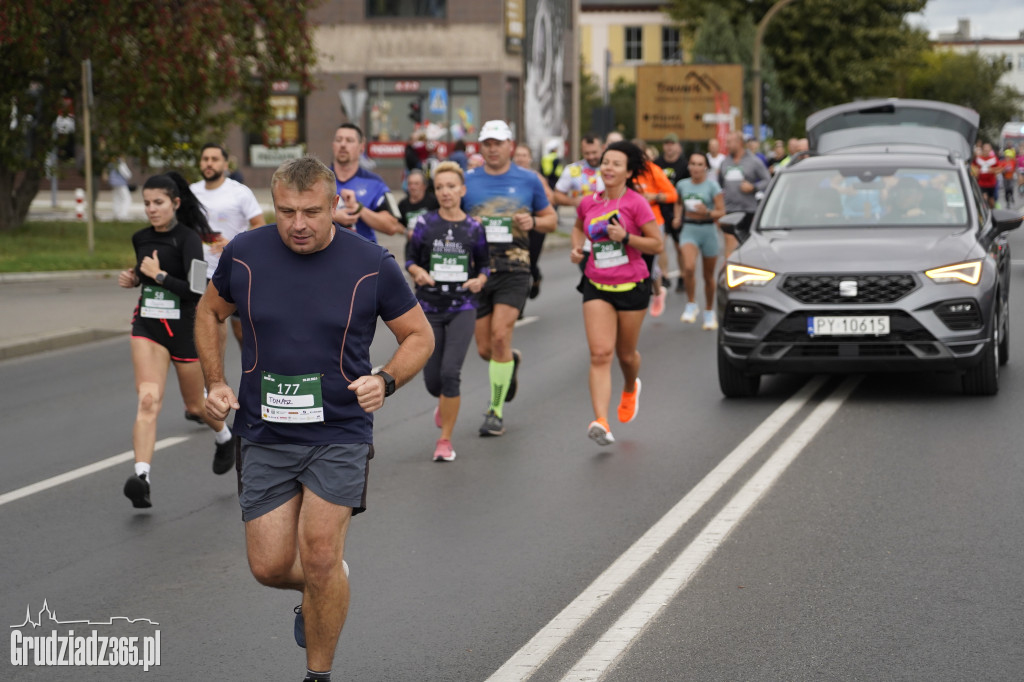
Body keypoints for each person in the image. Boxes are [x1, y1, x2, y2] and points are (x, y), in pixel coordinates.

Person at [194, 156, 433, 682]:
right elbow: (209, 312)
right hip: (264, 433)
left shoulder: (371, 264)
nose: (297, 224)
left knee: (320, 556)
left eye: (309, 212)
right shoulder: (246, 255)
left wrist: (386, 380)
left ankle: (317, 674)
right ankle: (324, 586)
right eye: (285, 212)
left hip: (340, 432)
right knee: (270, 567)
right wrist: (215, 381)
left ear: (334, 207)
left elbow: (419, 336)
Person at [117, 172, 235, 509]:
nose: (151, 210)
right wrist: (133, 277)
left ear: (175, 203)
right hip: (149, 327)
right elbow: (144, 275)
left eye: (158, 203)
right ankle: (141, 478)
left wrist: (159, 276)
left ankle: (226, 437)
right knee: (148, 399)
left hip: (184, 329)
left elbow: (197, 289)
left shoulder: (188, 239)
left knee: (197, 405)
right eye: (147, 204)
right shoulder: (140, 237)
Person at [463, 120, 557, 437]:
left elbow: (551, 219)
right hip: (477, 271)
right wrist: (466, 223)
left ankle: (495, 411)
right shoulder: (467, 181)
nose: (492, 148)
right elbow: (450, 218)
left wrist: (533, 220)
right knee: (485, 349)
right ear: (481, 147)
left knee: (501, 337)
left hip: (515, 269)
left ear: (510, 146)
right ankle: (510, 362)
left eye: (498, 143)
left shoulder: (529, 180)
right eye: (487, 143)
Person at [569, 140, 662, 446]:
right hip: (597, 284)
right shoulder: (589, 202)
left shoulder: (636, 203)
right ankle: (601, 421)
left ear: (628, 171)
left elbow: (656, 244)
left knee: (625, 354)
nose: (608, 167)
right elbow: (579, 226)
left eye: (616, 164)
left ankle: (629, 386)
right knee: (600, 354)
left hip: (632, 286)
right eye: (605, 162)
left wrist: (627, 238)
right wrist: (576, 247)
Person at [405, 161, 490, 461]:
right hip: (428, 306)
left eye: (451, 186)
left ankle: (445, 440)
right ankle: (443, 402)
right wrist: (418, 272)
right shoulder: (425, 224)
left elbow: (485, 265)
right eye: (440, 187)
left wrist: (480, 280)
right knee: (434, 381)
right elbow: (410, 258)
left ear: (462, 190)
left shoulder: (474, 227)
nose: (445, 192)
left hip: (462, 306)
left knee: (451, 373)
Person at [189, 143, 266, 352]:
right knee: (206, 326)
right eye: (205, 159)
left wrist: (233, 243)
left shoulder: (239, 192)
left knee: (241, 331)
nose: (209, 163)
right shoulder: (192, 192)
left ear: (225, 164)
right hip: (199, 269)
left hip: (232, 268)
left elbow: (259, 223)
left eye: (214, 159)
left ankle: (250, 375)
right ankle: (211, 383)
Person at [673, 153, 725, 330]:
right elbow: (678, 202)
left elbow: (721, 211)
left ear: (706, 168)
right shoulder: (682, 185)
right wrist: (677, 217)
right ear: (689, 166)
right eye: (693, 163)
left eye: (699, 164)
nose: (696, 167)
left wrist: (707, 212)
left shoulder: (712, 186)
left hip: (708, 230)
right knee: (688, 267)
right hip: (689, 230)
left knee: (708, 276)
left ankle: (709, 311)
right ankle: (691, 303)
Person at [331, 123, 403, 242]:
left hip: (363, 257)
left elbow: (392, 226)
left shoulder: (375, 182)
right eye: (339, 140)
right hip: (328, 256)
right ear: (333, 145)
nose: (343, 144)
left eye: (349, 140)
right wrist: (332, 217)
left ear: (361, 147)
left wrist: (358, 209)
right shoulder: (319, 179)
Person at [631, 138, 678, 318]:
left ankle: (654, 292)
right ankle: (647, 292)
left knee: (649, 261)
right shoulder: (626, 172)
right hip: (630, 221)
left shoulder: (653, 170)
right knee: (635, 259)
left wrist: (653, 196)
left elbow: (672, 195)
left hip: (653, 220)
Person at [718, 131, 771, 258]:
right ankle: (729, 271)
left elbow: (768, 180)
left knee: (747, 246)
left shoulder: (754, 161)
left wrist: (753, 187)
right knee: (729, 244)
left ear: (739, 143)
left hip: (748, 210)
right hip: (730, 209)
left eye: (729, 142)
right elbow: (720, 183)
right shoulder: (725, 162)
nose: (727, 145)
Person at [513, 143, 554, 300]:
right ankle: (519, 305)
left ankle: (536, 279)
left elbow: (551, 198)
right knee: (519, 264)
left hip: (535, 226)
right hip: (516, 226)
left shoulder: (536, 178)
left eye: (524, 155)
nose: (520, 158)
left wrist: (536, 204)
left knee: (529, 263)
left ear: (529, 159)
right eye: (518, 155)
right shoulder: (509, 177)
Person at [653, 133, 689, 293]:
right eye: (666, 144)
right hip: (660, 207)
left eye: (672, 144)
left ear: (677, 146)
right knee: (660, 244)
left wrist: (679, 214)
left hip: (678, 207)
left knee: (679, 245)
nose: (669, 147)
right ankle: (665, 276)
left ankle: (682, 275)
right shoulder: (657, 164)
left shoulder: (684, 165)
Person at [397, 169, 438, 237]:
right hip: (412, 245)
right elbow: (397, 224)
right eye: (410, 184)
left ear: (424, 186)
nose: (412, 187)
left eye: (416, 184)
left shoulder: (434, 202)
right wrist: (407, 232)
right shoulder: (403, 204)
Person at [105, 156, 133, 221]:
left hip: (113, 183)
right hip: (121, 183)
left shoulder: (111, 163)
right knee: (127, 198)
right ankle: (123, 215)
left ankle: (116, 214)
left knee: (116, 198)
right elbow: (127, 174)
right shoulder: (120, 163)